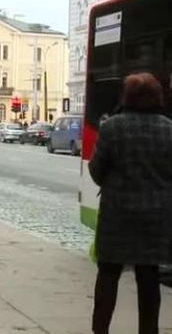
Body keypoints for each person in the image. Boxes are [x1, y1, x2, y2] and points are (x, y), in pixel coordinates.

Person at [89, 72, 172, 334]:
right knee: (149, 279)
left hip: (117, 215)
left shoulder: (113, 127)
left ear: (127, 96)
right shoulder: (169, 129)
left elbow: (96, 170)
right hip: (156, 216)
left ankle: (100, 329)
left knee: (108, 276)